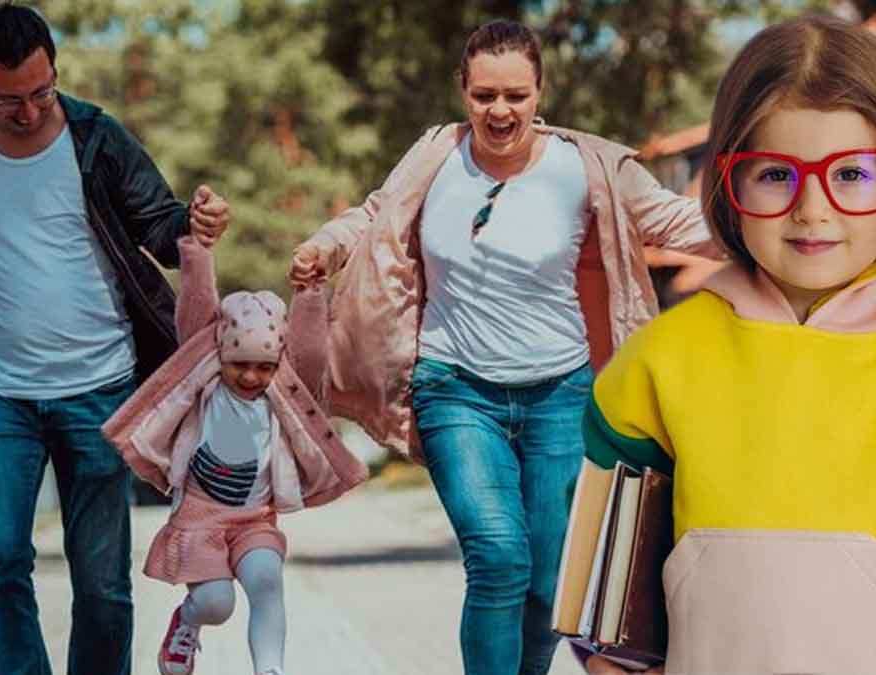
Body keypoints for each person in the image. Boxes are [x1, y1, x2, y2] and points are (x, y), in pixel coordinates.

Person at [582, 14, 876, 675]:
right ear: (729, 186)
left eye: (853, 174)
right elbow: (604, 586)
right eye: (776, 174)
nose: (813, 207)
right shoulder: (661, 357)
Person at [289, 19, 724, 675]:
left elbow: (673, 219)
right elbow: (375, 212)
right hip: (454, 388)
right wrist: (326, 244)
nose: (500, 111)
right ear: (463, 91)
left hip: (560, 394)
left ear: (539, 92)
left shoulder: (586, 167)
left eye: (515, 95)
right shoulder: (437, 155)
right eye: (484, 94)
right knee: (498, 554)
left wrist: (776, 220)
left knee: (549, 584)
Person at [0, 5, 230, 674]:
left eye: (43, 91)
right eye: (11, 100)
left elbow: (160, 223)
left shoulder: (94, 137)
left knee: (101, 583)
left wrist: (196, 221)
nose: (31, 111)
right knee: (1, 555)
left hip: (101, 388)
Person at [103, 234, 368, 675]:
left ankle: (270, 669)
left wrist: (309, 294)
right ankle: (186, 622)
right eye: (239, 364)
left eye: (264, 366)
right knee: (215, 602)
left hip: (255, 519)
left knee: (266, 581)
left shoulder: (282, 391)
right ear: (221, 354)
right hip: (199, 519)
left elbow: (309, 349)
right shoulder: (202, 376)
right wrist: (199, 251)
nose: (250, 375)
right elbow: (196, 308)